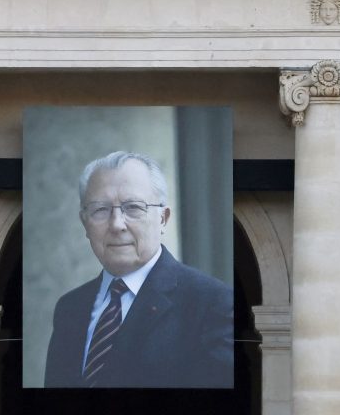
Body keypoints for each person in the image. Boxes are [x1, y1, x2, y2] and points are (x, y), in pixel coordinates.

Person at [44, 151, 233, 388]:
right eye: (100, 210)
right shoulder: (70, 308)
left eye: (133, 207)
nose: (116, 224)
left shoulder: (213, 303)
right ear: (85, 222)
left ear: (163, 219)